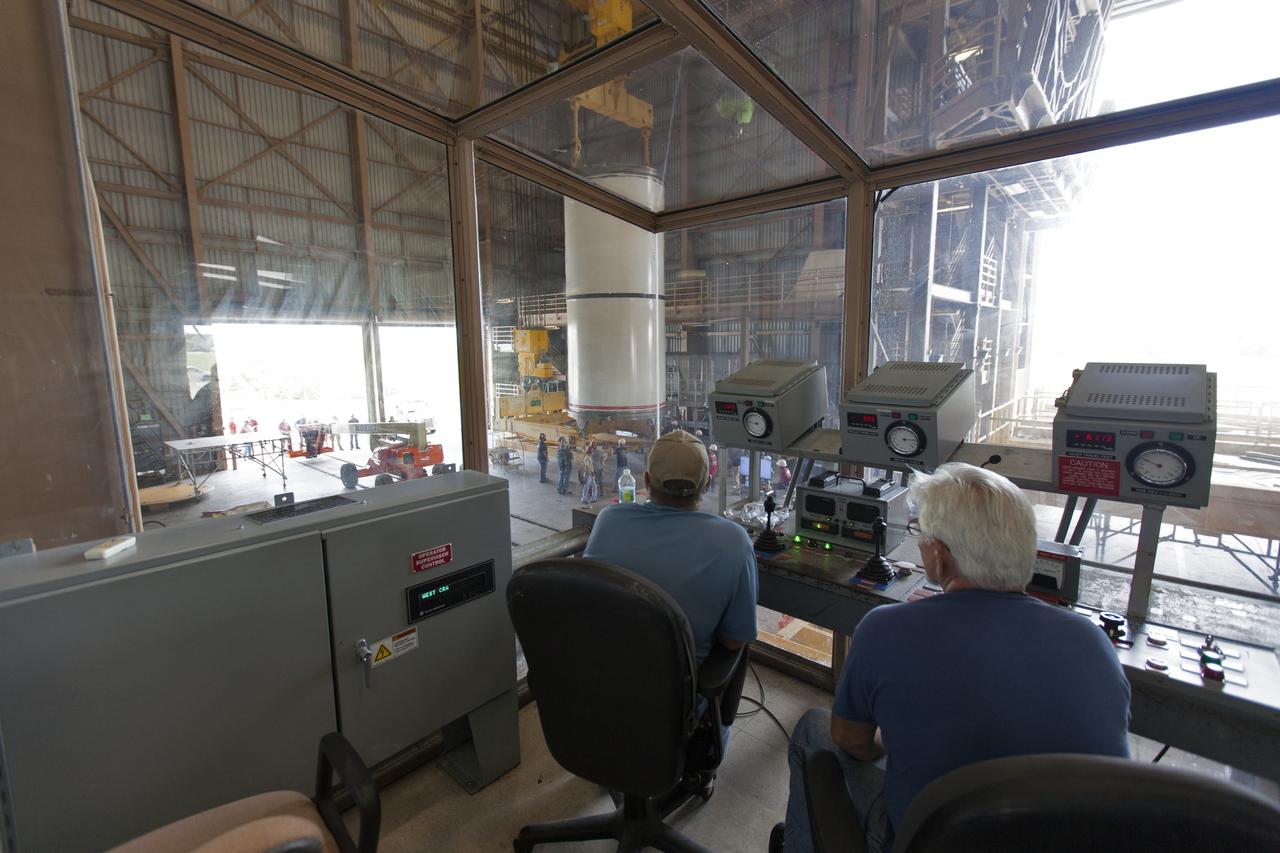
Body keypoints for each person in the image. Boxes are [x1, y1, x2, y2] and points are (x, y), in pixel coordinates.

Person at [771, 463, 1131, 853]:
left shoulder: (886, 628)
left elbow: (851, 739)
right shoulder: (1093, 643)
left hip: (927, 839)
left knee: (815, 728)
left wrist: (891, 741)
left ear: (940, 557)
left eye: (922, 535)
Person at [582, 430, 758, 747]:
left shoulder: (608, 520)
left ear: (647, 481)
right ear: (706, 484)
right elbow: (734, 640)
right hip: (675, 709)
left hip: (601, 690)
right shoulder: (734, 542)